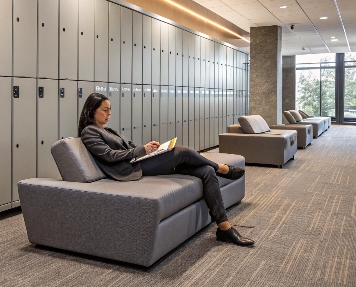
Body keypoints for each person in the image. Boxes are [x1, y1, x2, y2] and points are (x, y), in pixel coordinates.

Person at [79, 92, 254, 247]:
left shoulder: (107, 130)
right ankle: (222, 168)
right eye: (105, 110)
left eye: (110, 109)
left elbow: (130, 147)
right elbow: (109, 156)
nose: (109, 113)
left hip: (139, 161)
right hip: (129, 170)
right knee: (181, 151)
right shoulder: (90, 132)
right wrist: (140, 151)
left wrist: (148, 148)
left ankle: (224, 227)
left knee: (205, 171)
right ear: (92, 110)